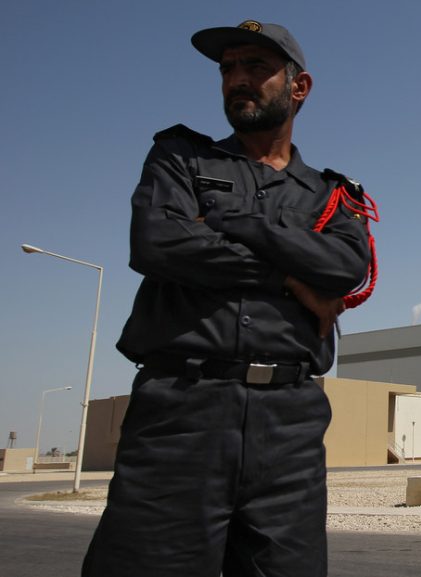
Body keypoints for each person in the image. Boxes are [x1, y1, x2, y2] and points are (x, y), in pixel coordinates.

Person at [81, 20, 371, 577]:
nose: (237, 79)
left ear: (298, 86)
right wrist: (289, 278)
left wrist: (225, 219)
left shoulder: (335, 195)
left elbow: (344, 268)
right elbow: (158, 242)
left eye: (256, 68)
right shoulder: (180, 159)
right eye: (228, 68)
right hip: (180, 414)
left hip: (290, 425)